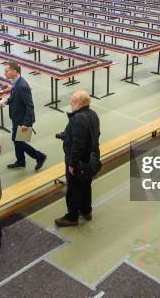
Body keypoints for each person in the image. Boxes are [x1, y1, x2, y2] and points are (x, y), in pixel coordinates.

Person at [55, 91, 100, 227]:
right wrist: (65, 135)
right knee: (86, 185)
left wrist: (72, 164)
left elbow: (78, 144)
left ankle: (72, 217)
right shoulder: (93, 114)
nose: (70, 102)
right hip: (90, 160)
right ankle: (86, 211)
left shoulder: (78, 119)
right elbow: (93, 134)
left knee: (73, 189)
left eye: (73, 100)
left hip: (78, 161)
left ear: (80, 104)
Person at [1, 61, 47, 170]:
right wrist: (7, 101)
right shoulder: (16, 82)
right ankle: (21, 161)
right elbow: (16, 98)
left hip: (23, 121)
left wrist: (26, 123)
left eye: (6, 71)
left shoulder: (22, 86)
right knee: (18, 141)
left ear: (14, 71)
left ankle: (39, 156)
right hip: (17, 118)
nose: (5, 73)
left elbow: (29, 106)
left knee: (18, 142)